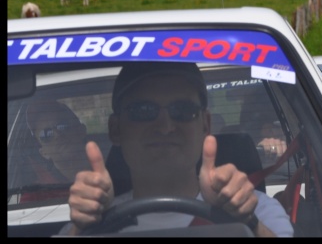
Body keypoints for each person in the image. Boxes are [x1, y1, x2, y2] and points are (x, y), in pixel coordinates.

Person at [61, 63, 293, 237]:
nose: (165, 127)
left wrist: (248, 223)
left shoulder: (260, 211)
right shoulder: (85, 225)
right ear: (115, 129)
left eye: (182, 110)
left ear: (206, 125)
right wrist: (84, 229)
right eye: (143, 111)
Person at [22, 100, 93, 202]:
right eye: (46, 134)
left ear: (81, 130)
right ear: (44, 153)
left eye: (63, 126)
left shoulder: (113, 173)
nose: (57, 135)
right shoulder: (35, 196)